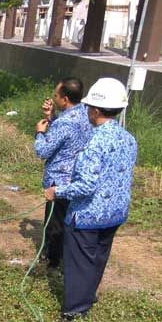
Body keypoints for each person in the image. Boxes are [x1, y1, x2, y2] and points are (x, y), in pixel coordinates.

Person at [44, 78, 136, 322]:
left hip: (88, 214)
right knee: (98, 257)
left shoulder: (94, 143)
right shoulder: (128, 138)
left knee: (79, 262)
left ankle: (75, 309)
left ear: (94, 110)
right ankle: (88, 294)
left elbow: (85, 185)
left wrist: (57, 192)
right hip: (115, 212)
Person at [34, 77, 93, 270]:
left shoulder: (64, 123)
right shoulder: (86, 113)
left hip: (58, 180)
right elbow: (69, 137)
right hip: (76, 178)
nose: (54, 98)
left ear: (65, 99)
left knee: (54, 224)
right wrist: (52, 116)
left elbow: (43, 151)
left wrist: (41, 132)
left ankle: (52, 260)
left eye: (56, 95)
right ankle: (63, 256)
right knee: (68, 220)